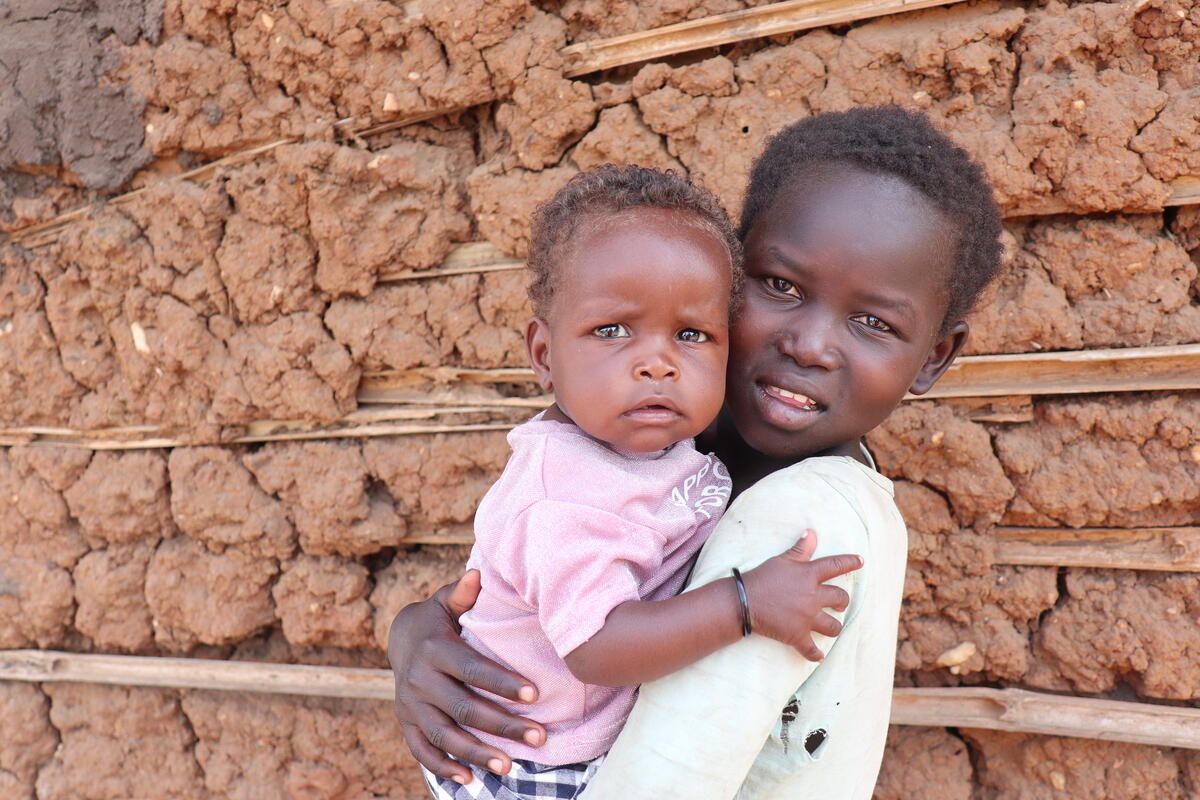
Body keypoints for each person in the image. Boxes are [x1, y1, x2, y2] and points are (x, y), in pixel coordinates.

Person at [390, 106, 1004, 799]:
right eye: (781, 286)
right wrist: (421, 632)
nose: (809, 345)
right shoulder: (649, 448)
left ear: (935, 356)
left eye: (873, 321)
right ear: (728, 277)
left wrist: (740, 604)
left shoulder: (807, 521)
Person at [422, 164, 864, 800]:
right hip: (531, 766)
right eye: (611, 331)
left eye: (692, 334)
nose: (657, 362)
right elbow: (597, 647)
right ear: (544, 356)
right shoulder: (562, 497)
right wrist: (744, 604)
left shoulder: (654, 443)